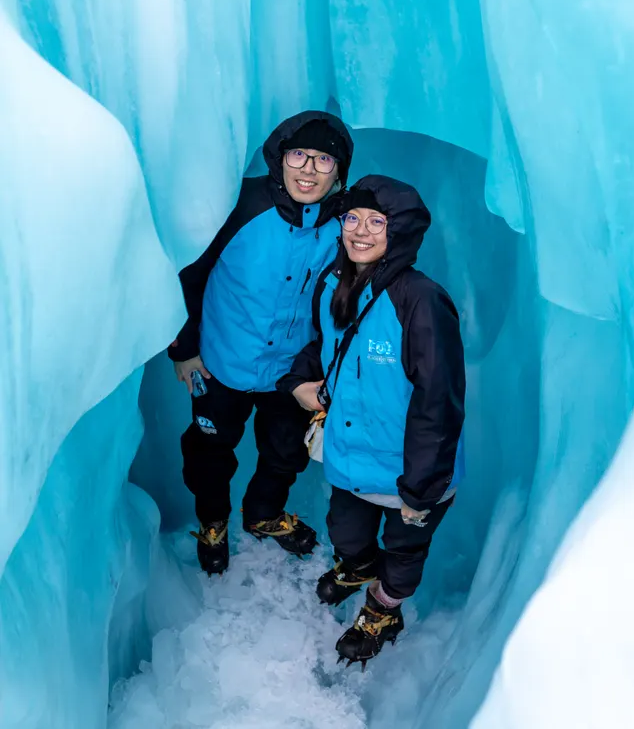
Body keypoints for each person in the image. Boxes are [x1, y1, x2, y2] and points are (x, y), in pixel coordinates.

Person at [279, 175, 465, 667]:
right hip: (351, 460)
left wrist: (421, 488)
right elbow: (324, 349)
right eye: (352, 218)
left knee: (403, 555)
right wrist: (301, 380)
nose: (360, 230)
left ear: (399, 231)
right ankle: (359, 568)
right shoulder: (335, 285)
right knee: (347, 533)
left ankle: (384, 610)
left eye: (376, 221)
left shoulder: (421, 300)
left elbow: (438, 400)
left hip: (411, 474)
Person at [169, 110, 354, 575]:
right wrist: (185, 348)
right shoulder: (244, 205)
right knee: (210, 449)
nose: (309, 170)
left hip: (290, 373)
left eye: (323, 160)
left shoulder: (343, 227)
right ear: (280, 157)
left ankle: (263, 514)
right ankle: (213, 520)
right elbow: (191, 272)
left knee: (285, 452)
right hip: (221, 362)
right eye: (299, 155)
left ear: (339, 172)